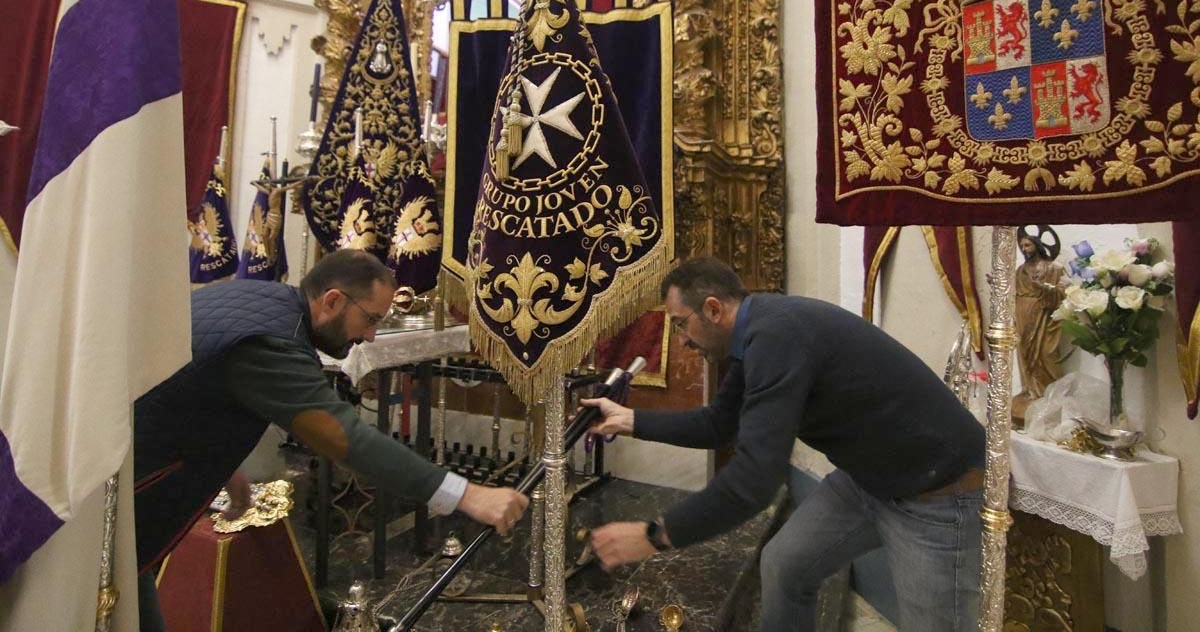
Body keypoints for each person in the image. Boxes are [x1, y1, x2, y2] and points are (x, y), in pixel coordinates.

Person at [133, 249, 527, 629]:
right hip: (125, 500)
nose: (371, 337)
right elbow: (346, 438)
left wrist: (223, 468)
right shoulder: (273, 342)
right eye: (370, 319)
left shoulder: (256, 297)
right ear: (333, 300)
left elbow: (198, 392)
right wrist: (468, 495)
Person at [586, 257, 986, 632]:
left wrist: (656, 535)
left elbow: (755, 480)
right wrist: (631, 420)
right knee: (785, 564)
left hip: (935, 493)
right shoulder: (755, 334)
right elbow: (720, 424)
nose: (682, 341)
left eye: (679, 324)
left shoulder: (776, 334)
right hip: (870, 478)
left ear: (712, 309)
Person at [1014, 225, 1067, 416]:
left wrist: (1044, 288)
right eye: (1022, 246)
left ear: (1037, 244)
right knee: (1024, 352)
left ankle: (1048, 393)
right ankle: (1029, 390)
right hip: (1022, 311)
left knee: (1047, 353)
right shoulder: (1021, 270)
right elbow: (1011, 290)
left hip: (1045, 315)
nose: (1024, 249)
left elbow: (1063, 292)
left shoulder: (1054, 268)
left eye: (1027, 245)